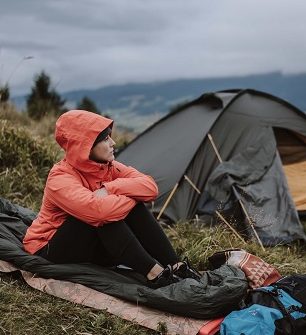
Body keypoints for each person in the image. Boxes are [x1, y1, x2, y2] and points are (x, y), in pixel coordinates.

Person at [23, 110, 200, 288]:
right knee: (105, 217)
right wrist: (128, 196)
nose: (113, 143)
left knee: (126, 208)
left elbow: (150, 188)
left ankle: (177, 265)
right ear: (85, 146)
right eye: (106, 139)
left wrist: (111, 188)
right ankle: (155, 274)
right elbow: (99, 212)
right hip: (49, 249)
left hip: (88, 246)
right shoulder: (60, 178)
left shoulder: (108, 167)